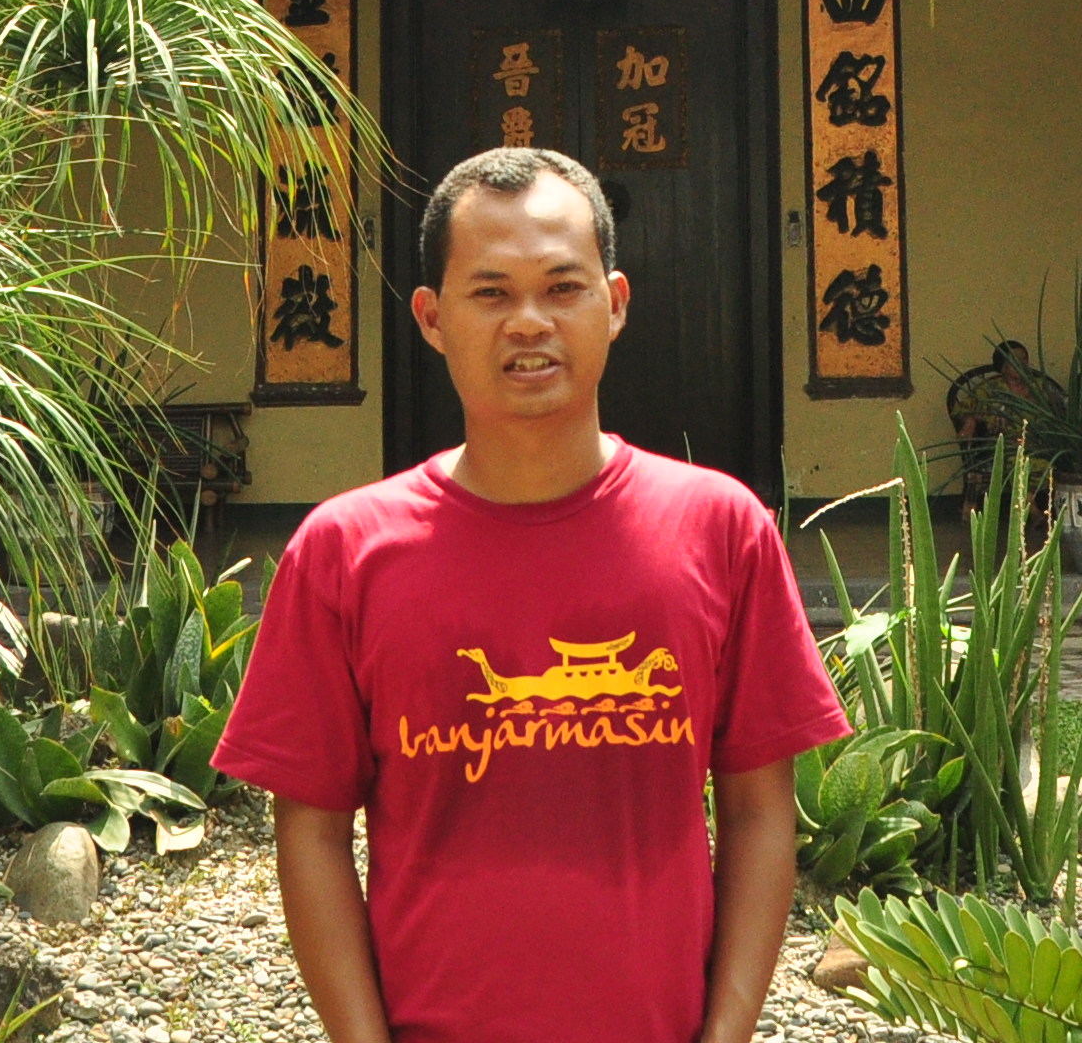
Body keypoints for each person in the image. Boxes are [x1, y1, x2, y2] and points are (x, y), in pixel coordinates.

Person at [214, 146, 847, 1043]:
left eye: (562, 287)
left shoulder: (720, 531)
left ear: (615, 303)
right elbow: (310, 835)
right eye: (490, 292)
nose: (529, 322)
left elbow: (757, 809)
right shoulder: (347, 553)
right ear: (431, 319)